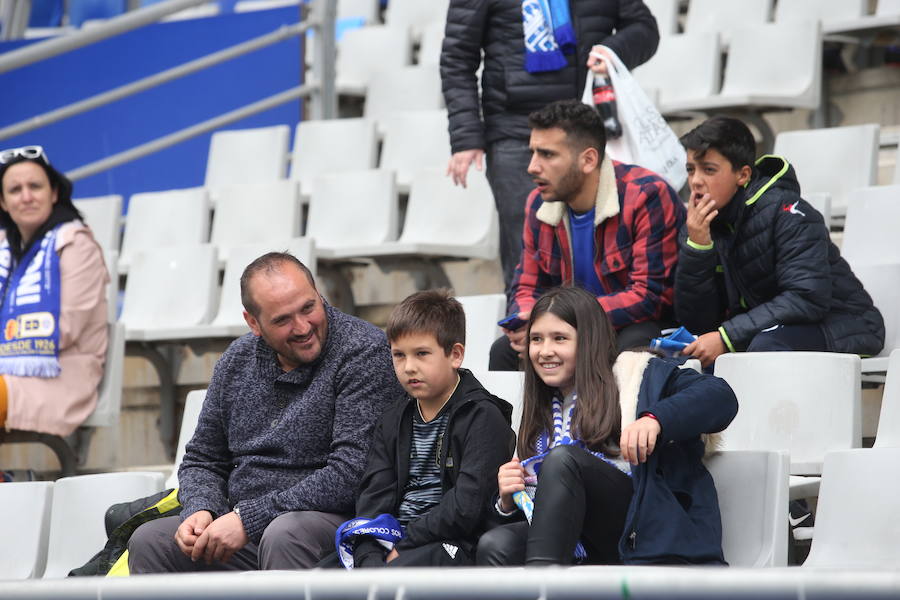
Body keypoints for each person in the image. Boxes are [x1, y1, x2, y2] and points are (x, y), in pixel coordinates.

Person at [128, 252, 404, 573]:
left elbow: (352, 473)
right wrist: (202, 509)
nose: (302, 327)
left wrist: (250, 518)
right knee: (150, 540)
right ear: (253, 323)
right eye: (283, 320)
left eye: (308, 308)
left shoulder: (363, 351)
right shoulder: (236, 361)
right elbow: (203, 459)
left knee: (284, 534)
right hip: (244, 522)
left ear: (319, 293)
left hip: (331, 520)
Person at [476, 286, 738, 566]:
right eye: (536, 339)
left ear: (589, 340)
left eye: (560, 338)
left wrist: (656, 419)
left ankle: (544, 585)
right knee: (496, 545)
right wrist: (505, 502)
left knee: (564, 460)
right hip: (574, 532)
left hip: (641, 528)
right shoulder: (540, 404)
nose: (544, 351)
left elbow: (720, 396)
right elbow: (540, 509)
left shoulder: (636, 375)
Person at [442, 0, 660, 286]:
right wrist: (466, 135)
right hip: (515, 133)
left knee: (603, 246)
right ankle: (528, 326)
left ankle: (600, 325)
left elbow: (644, 28)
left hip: (587, 129)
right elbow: (457, 56)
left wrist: (612, 51)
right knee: (528, 257)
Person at [323, 289, 516, 568]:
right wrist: (368, 554)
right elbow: (372, 498)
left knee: (391, 579)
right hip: (394, 541)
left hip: (452, 545)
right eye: (399, 355)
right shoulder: (393, 417)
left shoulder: (483, 417)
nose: (409, 367)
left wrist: (405, 541)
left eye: (422, 354)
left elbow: (466, 508)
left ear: (455, 355)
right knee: (317, 579)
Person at [489, 100, 684, 371]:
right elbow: (526, 285)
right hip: (566, 326)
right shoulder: (538, 202)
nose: (532, 167)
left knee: (633, 345)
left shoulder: (646, 195)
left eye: (547, 155)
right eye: (533, 153)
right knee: (504, 352)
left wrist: (565, 321)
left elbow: (648, 297)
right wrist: (528, 319)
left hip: (630, 326)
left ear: (588, 159)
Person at [675, 116, 885, 368]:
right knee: (685, 358)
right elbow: (699, 322)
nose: (696, 180)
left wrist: (728, 336)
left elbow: (807, 297)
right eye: (690, 169)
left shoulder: (788, 213)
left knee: (765, 349)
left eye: (709, 169)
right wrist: (698, 248)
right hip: (766, 328)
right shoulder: (699, 227)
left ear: (742, 175)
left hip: (843, 323)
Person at [0, 145, 108, 437]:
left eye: (35, 186)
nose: (26, 196)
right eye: (15, 190)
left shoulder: (75, 244)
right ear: (3, 201)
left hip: (59, 378)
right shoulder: (3, 250)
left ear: (54, 193)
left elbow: (65, 329)